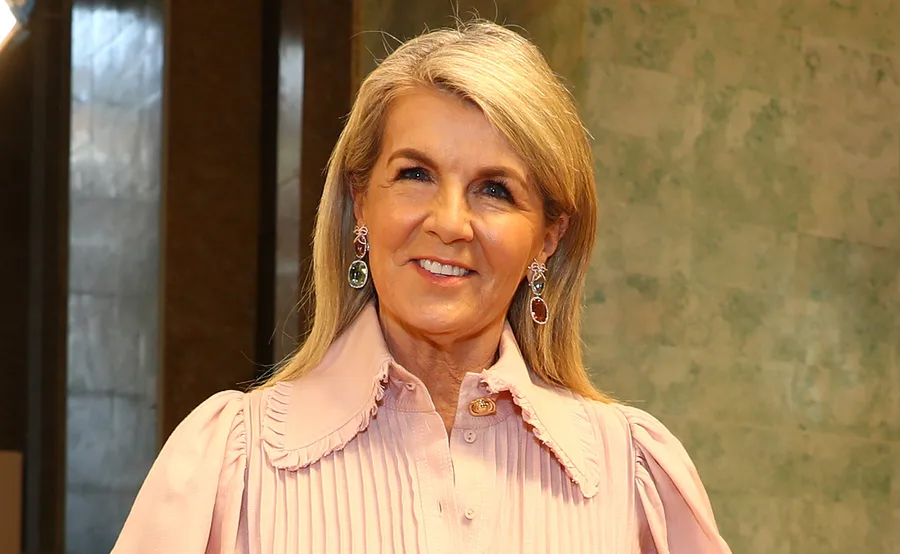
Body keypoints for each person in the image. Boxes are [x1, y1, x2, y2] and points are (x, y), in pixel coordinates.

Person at [112, 20, 732, 554]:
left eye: (496, 190)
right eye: (414, 174)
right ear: (361, 203)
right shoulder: (230, 465)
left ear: (548, 237)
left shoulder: (632, 475)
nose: (449, 223)